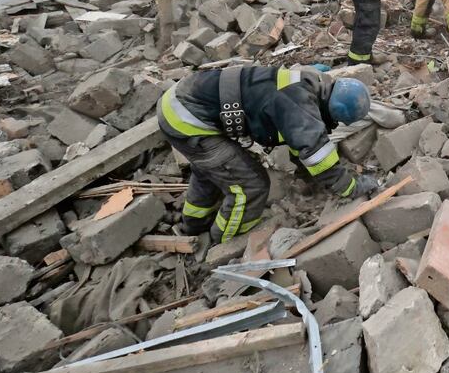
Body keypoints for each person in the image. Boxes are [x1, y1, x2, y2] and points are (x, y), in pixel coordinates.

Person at [157, 66, 378, 243]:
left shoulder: (308, 83)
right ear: (336, 111)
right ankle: (222, 243)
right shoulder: (298, 104)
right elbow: (317, 153)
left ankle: (193, 224)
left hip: (179, 100)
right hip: (187, 117)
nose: (336, 125)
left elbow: (299, 145)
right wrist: (350, 187)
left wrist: (309, 181)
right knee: (250, 185)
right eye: (337, 121)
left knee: (210, 171)